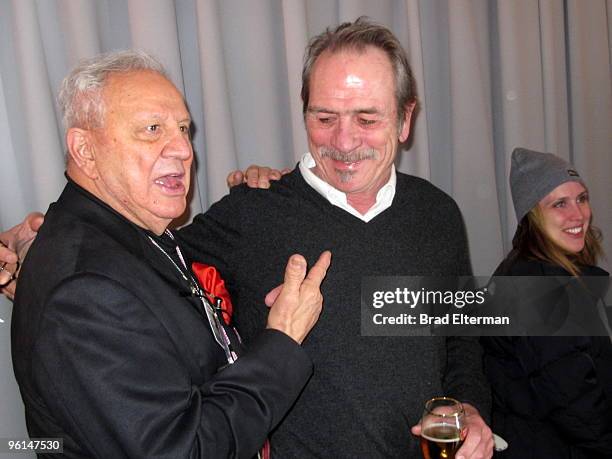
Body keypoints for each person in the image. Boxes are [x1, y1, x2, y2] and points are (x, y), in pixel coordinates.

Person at [2, 19, 493, 458]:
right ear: (303, 113)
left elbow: (461, 337)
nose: (344, 142)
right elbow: (128, 269)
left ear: (405, 120)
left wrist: (469, 408)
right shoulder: (250, 212)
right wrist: (26, 257)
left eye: (367, 119)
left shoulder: (437, 213)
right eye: (324, 118)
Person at [8, 50, 331, 458]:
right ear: (85, 151)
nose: (182, 148)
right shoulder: (85, 288)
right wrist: (283, 339)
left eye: (182, 128)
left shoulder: (134, 231)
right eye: (152, 129)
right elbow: (184, 450)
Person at [481, 148, 612, 458]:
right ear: (533, 215)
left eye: (581, 198)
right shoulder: (540, 288)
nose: (578, 215)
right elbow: (577, 407)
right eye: (559, 204)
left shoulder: (536, 270)